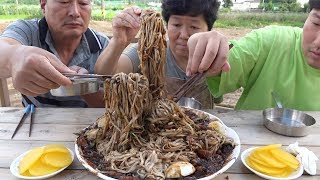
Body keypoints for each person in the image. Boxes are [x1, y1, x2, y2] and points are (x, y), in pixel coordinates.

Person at [186, 0, 320, 110]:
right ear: (307, 16)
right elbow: (235, 57)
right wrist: (210, 48)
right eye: (316, 23)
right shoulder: (273, 40)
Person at [95, 0, 229, 108]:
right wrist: (119, 41)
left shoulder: (213, 59)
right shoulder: (148, 51)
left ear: (208, 29)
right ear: (166, 24)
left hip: (201, 132)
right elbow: (105, 74)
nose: (183, 35)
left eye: (194, 27)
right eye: (176, 25)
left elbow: (216, 98)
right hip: (153, 132)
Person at [0, 0, 109, 107]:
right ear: (43, 4)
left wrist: (82, 84)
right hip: (35, 122)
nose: (75, 12)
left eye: (83, 3)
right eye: (64, 2)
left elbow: (108, 104)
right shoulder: (27, 31)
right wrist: (16, 57)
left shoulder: (103, 45)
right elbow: (3, 48)